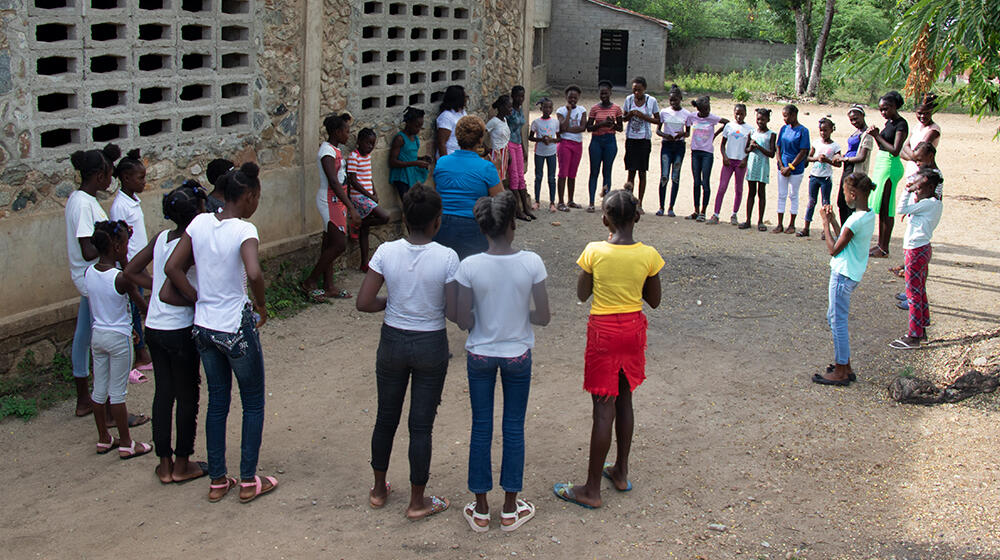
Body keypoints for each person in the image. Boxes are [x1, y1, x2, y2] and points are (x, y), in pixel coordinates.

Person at [164, 163, 279, 503]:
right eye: (256, 197)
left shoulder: (199, 223)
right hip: (235, 325)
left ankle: (217, 480)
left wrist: (196, 297)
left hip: (204, 326)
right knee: (253, 401)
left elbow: (173, 267)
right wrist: (260, 306)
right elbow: (254, 272)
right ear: (248, 197)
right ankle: (247, 480)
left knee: (217, 400)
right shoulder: (244, 230)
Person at [553, 189, 663, 509]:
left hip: (603, 332)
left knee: (603, 408)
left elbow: (582, 293)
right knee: (625, 399)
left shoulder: (594, 251)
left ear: (605, 219)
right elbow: (654, 301)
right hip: (632, 331)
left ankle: (590, 489)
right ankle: (620, 471)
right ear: (637, 218)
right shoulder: (649, 255)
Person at [356, 184, 458, 521]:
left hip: (393, 341)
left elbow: (365, 301)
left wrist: (395, 303)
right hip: (430, 344)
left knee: (386, 416)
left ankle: (378, 488)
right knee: (421, 426)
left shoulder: (386, 252)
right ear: (437, 222)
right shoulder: (446, 257)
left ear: (405, 219)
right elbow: (455, 312)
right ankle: (417, 500)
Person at [455, 192, 550, 533]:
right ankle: (510, 507)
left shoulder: (469, 266)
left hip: (480, 352)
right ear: (513, 225)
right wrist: (519, 312)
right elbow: (544, 316)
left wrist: (480, 314)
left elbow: (462, 318)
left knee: (481, 426)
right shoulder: (532, 263)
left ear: (483, 230)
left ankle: (480, 509)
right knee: (513, 426)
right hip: (517, 354)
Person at [125, 181, 209, 483]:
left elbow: (130, 272)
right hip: (180, 327)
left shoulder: (161, 238)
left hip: (155, 328)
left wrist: (155, 288)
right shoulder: (195, 240)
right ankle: (183, 462)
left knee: (163, 393)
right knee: (188, 396)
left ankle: (164, 463)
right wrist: (191, 296)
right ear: (198, 211)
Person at [86, 220, 154, 459]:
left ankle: (104, 438)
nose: (127, 248)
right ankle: (127, 443)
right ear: (116, 246)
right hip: (119, 338)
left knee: (99, 390)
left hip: (98, 336)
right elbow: (140, 304)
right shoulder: (121, 278)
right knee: (117, 392)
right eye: (125, 243)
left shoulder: (89, 272)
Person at [66, 144, 116, 417]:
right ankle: (103, 405)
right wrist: (114, 243)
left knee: (83, 335)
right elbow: (87, 249)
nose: (111, 180)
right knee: (100, 339)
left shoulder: (82, 200)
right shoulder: (84, 205)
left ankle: (85, 399)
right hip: (92, 280)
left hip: (89, 280)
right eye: (109, 175)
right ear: (98, 176)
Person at [813, 172, 876, 386]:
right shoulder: (867, 215)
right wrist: (833, 221)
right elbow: (846, 239)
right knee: (835, 317)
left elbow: (833, 249)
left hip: (842, 274)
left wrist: (824, 223)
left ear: (852, 193)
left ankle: (841, 369)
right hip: (852, 272)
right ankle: (844, 365)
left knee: (837, 321)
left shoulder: (854, 220)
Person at [302, 114, 360, 301]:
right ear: (336, 132)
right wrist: (351, 207)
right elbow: (333, 182)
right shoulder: (326, 152)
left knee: (329, 244)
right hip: (330, 201)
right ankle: (310, 281)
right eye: (346, 131)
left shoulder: (334, 150)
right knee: (339, 244)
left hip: (337, 201)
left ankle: (329, 285)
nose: (348, 135)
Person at [432, 115, 504, 259]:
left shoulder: (442, 163)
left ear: (457, 137)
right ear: (480, 140)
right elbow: (501, 201)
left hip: (442, 226)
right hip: (473, 227)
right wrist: (496, 171)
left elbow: (439, 190)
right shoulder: (486, 167)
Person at [109, 149, 153, 377]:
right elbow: (121, 240)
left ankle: (143, 350)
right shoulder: (120, 206)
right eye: (140, 178)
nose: (144, 182)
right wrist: (128, 267)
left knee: (139, 303)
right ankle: (140, 353)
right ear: (126, 178)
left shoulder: (132, 201)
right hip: (129, 265)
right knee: (134, 307)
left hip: (137, 263)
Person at [889, 168, 943, 350]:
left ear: (928, 185)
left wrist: (907, 190)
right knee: (919, 291)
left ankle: (914, 336)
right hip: (921, 248)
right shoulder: (933, 203)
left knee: (913, 294)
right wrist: (915, 193)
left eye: (918, 186)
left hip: (915, 249)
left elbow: (900, 209)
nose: (915, 189)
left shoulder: (928, 204)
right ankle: (922, 329)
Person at [866, 91, 908, 258]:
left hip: (890, 166)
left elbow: (895, 150)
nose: (883, 112)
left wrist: (877, 135)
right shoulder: (889, 123)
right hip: (882, 165)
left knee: (886, 207)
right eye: (881, 109)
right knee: (881, 207)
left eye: (886, 108)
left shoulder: (901, 124)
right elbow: (883, 146)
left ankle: (884, 247)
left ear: (895, 106)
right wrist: (875, 135)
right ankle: (880, 245)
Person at [346, 128, 391, 272]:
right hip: (359, 197)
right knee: (385, 216)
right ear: (359, 142)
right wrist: (370, 196)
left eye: (373, 144)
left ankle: (364, 263)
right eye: (367, 143)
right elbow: (353, 180)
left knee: (365, 231)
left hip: (367, 196)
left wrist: (375, 192)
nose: (370, 147)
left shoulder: (367, 157)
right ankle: (358, 223)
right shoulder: (354, 156)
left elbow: (368, 177)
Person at [487, 94, 530, 221]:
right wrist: (487, 149)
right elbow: (482, 132)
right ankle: (495, 212)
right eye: (509, 107)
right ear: (501, 107)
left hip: (505, 152)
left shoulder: (504, 120)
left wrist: (509, 154)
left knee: (501, 180)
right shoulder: (494, 121)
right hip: (497, 154)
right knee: (496, 182)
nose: (511, 109)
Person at [684, 96, 727, 222]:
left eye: (709, 108)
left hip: (707, 153)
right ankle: (696, 210)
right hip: (695, 152)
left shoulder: (712, 118)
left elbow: (727, 122)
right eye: (705, 109)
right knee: (696, 182)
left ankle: (703, 212)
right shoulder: (692, 117)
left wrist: (715, 135)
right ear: (699, 110)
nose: (708, 111)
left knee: (705, 182)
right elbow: (687, 129)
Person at [622, 77, 660, 212]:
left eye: (639, 90)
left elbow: (658, 120)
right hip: (631, 139)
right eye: (634, 90)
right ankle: (629, 202)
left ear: (644, 88)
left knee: (642, 172)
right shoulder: (629, 100)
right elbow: (624, 119)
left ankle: (640, 203)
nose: (636, 93)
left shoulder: (651, 101)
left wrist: (643, 116)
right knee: (631, 171)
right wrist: (630, 115)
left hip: (644, 140)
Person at [710, 104, 753, 225]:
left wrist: (745, 159)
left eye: (741, 114)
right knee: (722, 187)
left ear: (745, 114)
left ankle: (734, 214)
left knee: (738, 189)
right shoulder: (729, 126)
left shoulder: (750, 129)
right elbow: (723, 144)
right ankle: (716, 214)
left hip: (741, 162)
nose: (739, 116)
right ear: (734, 113)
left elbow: (749, 147)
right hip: (728, 161)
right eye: (737, 113)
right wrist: (724, 156)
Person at [800, 118, 842, 238]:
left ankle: (825, 230)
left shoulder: (835, 146)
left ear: (831, 130)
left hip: (826, 179)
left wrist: (828, 160)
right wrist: (817, 158)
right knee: (811, 202)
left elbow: (838, 163)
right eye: (821, 130)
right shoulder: (816, 143)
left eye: (825, 130)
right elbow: (808, 157)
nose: (823, 133)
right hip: (814, 176)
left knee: (825, 204)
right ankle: (806, 227)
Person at [832, 105, 874, 225]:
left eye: (856, 118)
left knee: (851, 202)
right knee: (842, 201)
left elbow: (861, 157)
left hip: (855, 169)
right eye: (851, 120)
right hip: (848, 167)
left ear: (863, 116)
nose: (854, 122)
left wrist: (844, 159)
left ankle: (850, 230)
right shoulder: (856, 132)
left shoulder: (867, 134)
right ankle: (845, 228)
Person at [586, 80, 623, 213]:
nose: (604, 96)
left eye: (606, 93)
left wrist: (612, 124)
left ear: (610, 93)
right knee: (593, 172)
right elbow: (588, 128)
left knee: (607, 172)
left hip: (610, 141)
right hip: (596, 141)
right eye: (601, 93)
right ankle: (591, 202)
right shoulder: (594, 108)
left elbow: (620, 128)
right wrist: (601, 124)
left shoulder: (616, 109)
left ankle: (605, 201)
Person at [773, 104, 810, 235]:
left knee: (793, 195)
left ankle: (792, 224)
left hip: (796, 169)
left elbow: (803, 151)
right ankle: (779, 224)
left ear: (794, 115)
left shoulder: (803, 131)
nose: (784, 119)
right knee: (781, 195)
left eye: (786, 116)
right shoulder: (783, 129)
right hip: (782, 167)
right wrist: (781, 165)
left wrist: (791, 166)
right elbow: (778, 148)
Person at [655, 84, 689, 217]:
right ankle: (661, 207)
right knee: (664, 176)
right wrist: (665, 135)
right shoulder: (664, 112)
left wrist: (682, 134)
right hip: (667, 145)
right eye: (671, 100)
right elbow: (658, 130)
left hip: (679, 146)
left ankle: (671, 207)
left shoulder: (686, 114)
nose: (673, 103)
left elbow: (688, 133)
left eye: (676, 100)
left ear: (681, 98)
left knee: (675, 176)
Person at [741, 108, 776, 231]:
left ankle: (760, 221)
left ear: (768, 120)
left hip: (763, 166)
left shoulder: (771, 134)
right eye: (758, 119)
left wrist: (758, 147)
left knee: (761, 193)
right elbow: (745, 150)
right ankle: (748, 220)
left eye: (763, 119)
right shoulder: (752, 133)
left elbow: (772, 154)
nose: (760, 121)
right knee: (751, 192)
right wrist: (751, 148)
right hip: (752, 165)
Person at [555, 85, 587, 211]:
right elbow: (562, 127)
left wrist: (568, 129)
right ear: (566, 97)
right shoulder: (561, 110)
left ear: (578, 97)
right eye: (570, 97)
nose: (572, 99)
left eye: (575, 97)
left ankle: (570, 200)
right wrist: (568, 112)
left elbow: (583, 127)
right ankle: (561, 202)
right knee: (563, 172)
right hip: (564, 144)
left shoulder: (582, 110)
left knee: (572, 173)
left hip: (577, 144)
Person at [388, 106, 431, 201]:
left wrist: (422, 159)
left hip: (411, 175)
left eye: (420, 126)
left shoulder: (415, 138)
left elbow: (411, 157)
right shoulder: (400, 139)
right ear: (408, 123)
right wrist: (415, 163)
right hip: (402, 177)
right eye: (416, 126)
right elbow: (392, 162)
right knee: (408, 204)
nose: (418, 129)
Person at [507, 85, 535, 220]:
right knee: (514, 177)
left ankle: (526, 208)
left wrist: (523, 148)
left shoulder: (520, 109)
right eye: (518, 96)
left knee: (521, 178)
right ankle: (517, 210)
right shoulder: (509, 110)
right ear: (513, 96)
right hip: (509, 144)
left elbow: (519, 130)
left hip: (517, 144)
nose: (521, 99)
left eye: (522, 96)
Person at [528, 98, 559, 213]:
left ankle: (552, 202)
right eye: (545, 107)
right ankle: (537, 201)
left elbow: (559, 138)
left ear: (552, 109)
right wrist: (541, 139)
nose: (547, 109)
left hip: (551, 153)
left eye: (550, 107)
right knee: (538, 177)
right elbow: (530, 137)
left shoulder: (555, 122)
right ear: (541, 109)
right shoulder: (536, 122)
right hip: (539, 153)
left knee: (552, 178)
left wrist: (551, 140)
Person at [435, 85, 468, 157]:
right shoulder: (446, 116)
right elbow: (442, 143)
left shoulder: (463, 113)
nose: (466, 99)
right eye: (464, 97)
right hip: (450, 155)